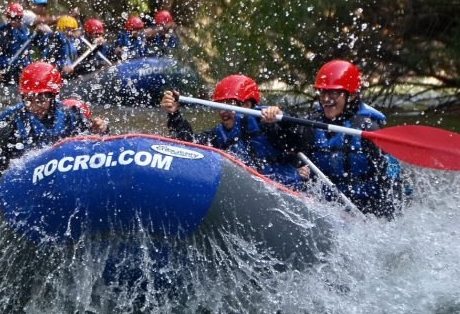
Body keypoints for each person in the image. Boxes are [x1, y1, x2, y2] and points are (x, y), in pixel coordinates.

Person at [281, 59, 403, 218]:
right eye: (322, 92)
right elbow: (285, 145)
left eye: (333, 93)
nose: (325, 99)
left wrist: (381, 222)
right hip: (325, 210)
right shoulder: (312, 124)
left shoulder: (369, 130)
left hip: (366, 213)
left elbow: (392, 183)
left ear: (351, 96)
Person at [0, 62, 108, 204]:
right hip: (29, 186)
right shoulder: (12, 125)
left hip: (64, 179)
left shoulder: (71, 115)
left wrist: (101, 129)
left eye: (41, 100)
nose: (35, 107)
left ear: (53, 96)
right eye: (29, 100)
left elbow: (94, 143)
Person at [159, 75, 303, 190]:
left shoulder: (266, 122)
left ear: (247, 105)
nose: (222, 111)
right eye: (219, 105)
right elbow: (187, 143)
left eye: (228, 105)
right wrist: (174, 115)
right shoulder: (218, 134)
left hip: (285, 190)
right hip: (254, 192)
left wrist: (281, 120)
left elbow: (299, 141)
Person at [0, 1, 34, 84]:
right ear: (8, 18)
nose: (15, 21)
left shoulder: (24, 31)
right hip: (6, 75)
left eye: (18, 18)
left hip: (22, 73)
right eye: (12, 18)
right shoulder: (3, 34)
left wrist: (40, 33)